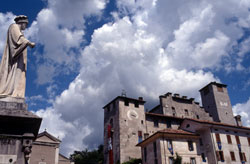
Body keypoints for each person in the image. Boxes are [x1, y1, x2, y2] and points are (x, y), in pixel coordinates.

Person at [0, 15, 35, 99]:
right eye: (26, 24)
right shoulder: (14, 27)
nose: (26, 26)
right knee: (11, 75)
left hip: (18, 60)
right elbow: (19, 40)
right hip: (14, 61)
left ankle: (14, 93)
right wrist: (29, 43)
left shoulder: (19, 31)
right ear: (22, 23)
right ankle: (9, 91)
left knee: (17, 77)